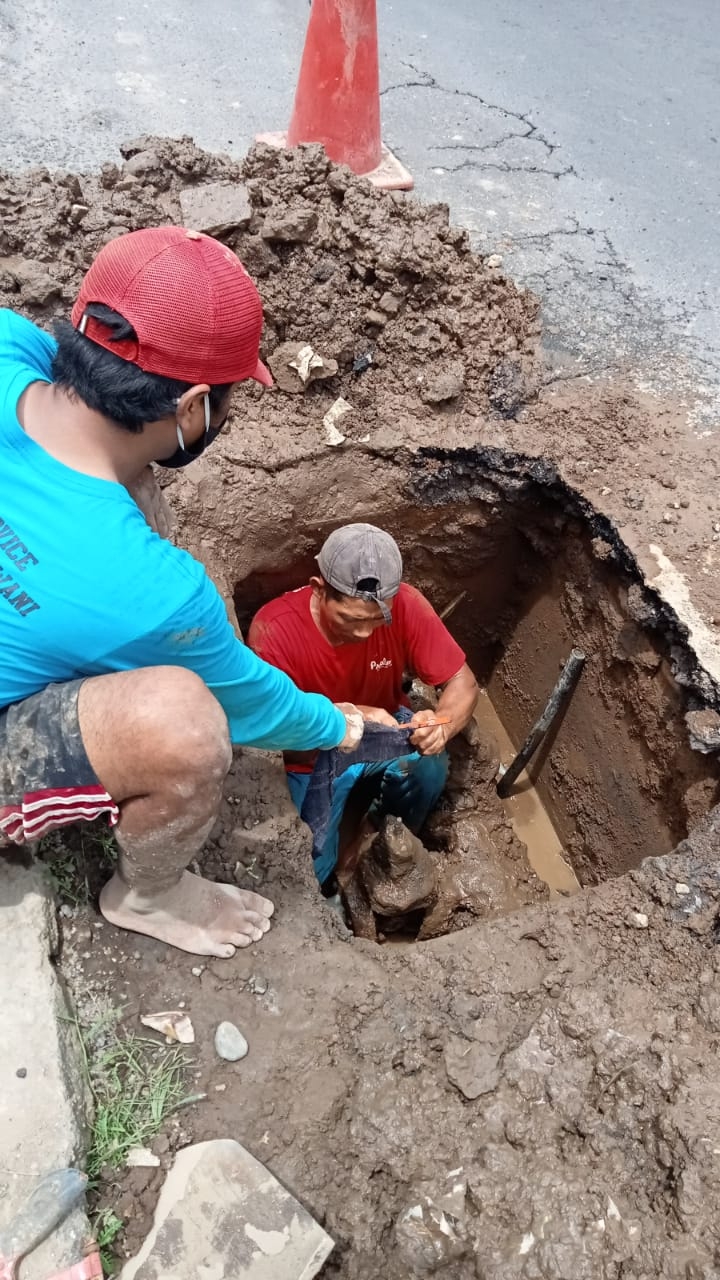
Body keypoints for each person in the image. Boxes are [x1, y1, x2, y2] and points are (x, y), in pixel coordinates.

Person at [0, 226, 364, 958]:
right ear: (193, 405)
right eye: (226, 399)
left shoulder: (8, 338)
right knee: (185, 725)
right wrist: (339, 726)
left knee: (128, 493)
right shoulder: (151, 592)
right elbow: (252, 707)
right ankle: (150, 895)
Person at [248, 524, 479, 889]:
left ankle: (381, 833)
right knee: (308, 861)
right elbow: (274, 729)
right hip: (308, 754)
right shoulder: (274, 631)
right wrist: (347, 714)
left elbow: (462, 682)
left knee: (429, 767)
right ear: (319, 589)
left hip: (383, 734)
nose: (365, 634)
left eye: (377, 620)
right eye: (352, 620)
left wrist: (442, 724)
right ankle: (326, 888)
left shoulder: (405, 603)